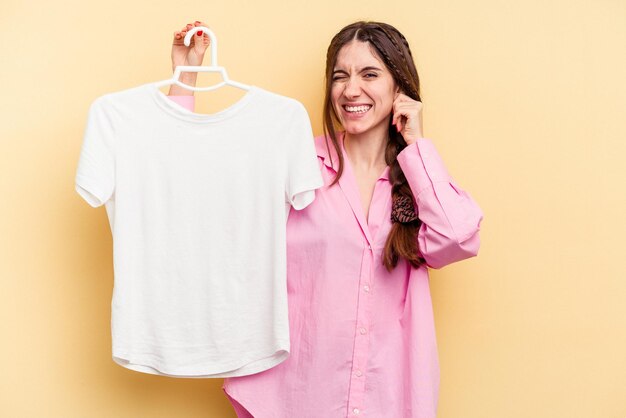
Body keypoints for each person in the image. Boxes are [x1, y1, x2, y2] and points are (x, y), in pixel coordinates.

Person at [169, 20, 483, 418]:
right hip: (296, 397)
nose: (351, 90)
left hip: (387, 400)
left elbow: (458, 238)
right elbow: (193, 199)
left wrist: (416, 146)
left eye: (369, 74)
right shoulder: (295, 161)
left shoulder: (418, 182)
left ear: (399, 87)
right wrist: (186, 77)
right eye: (340, 76)